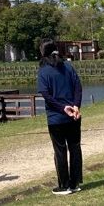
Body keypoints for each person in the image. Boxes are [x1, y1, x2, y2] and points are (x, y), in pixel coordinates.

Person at [37, 39, 83, 196]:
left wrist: (63, 108)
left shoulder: (44, 70)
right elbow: (78, 86)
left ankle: (64, 185)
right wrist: (76, 105)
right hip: (74, 116)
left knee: (60, 151)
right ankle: (75, 183)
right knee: (75, 148)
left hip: (56, 117)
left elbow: (46, 94)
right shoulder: (68, 66)